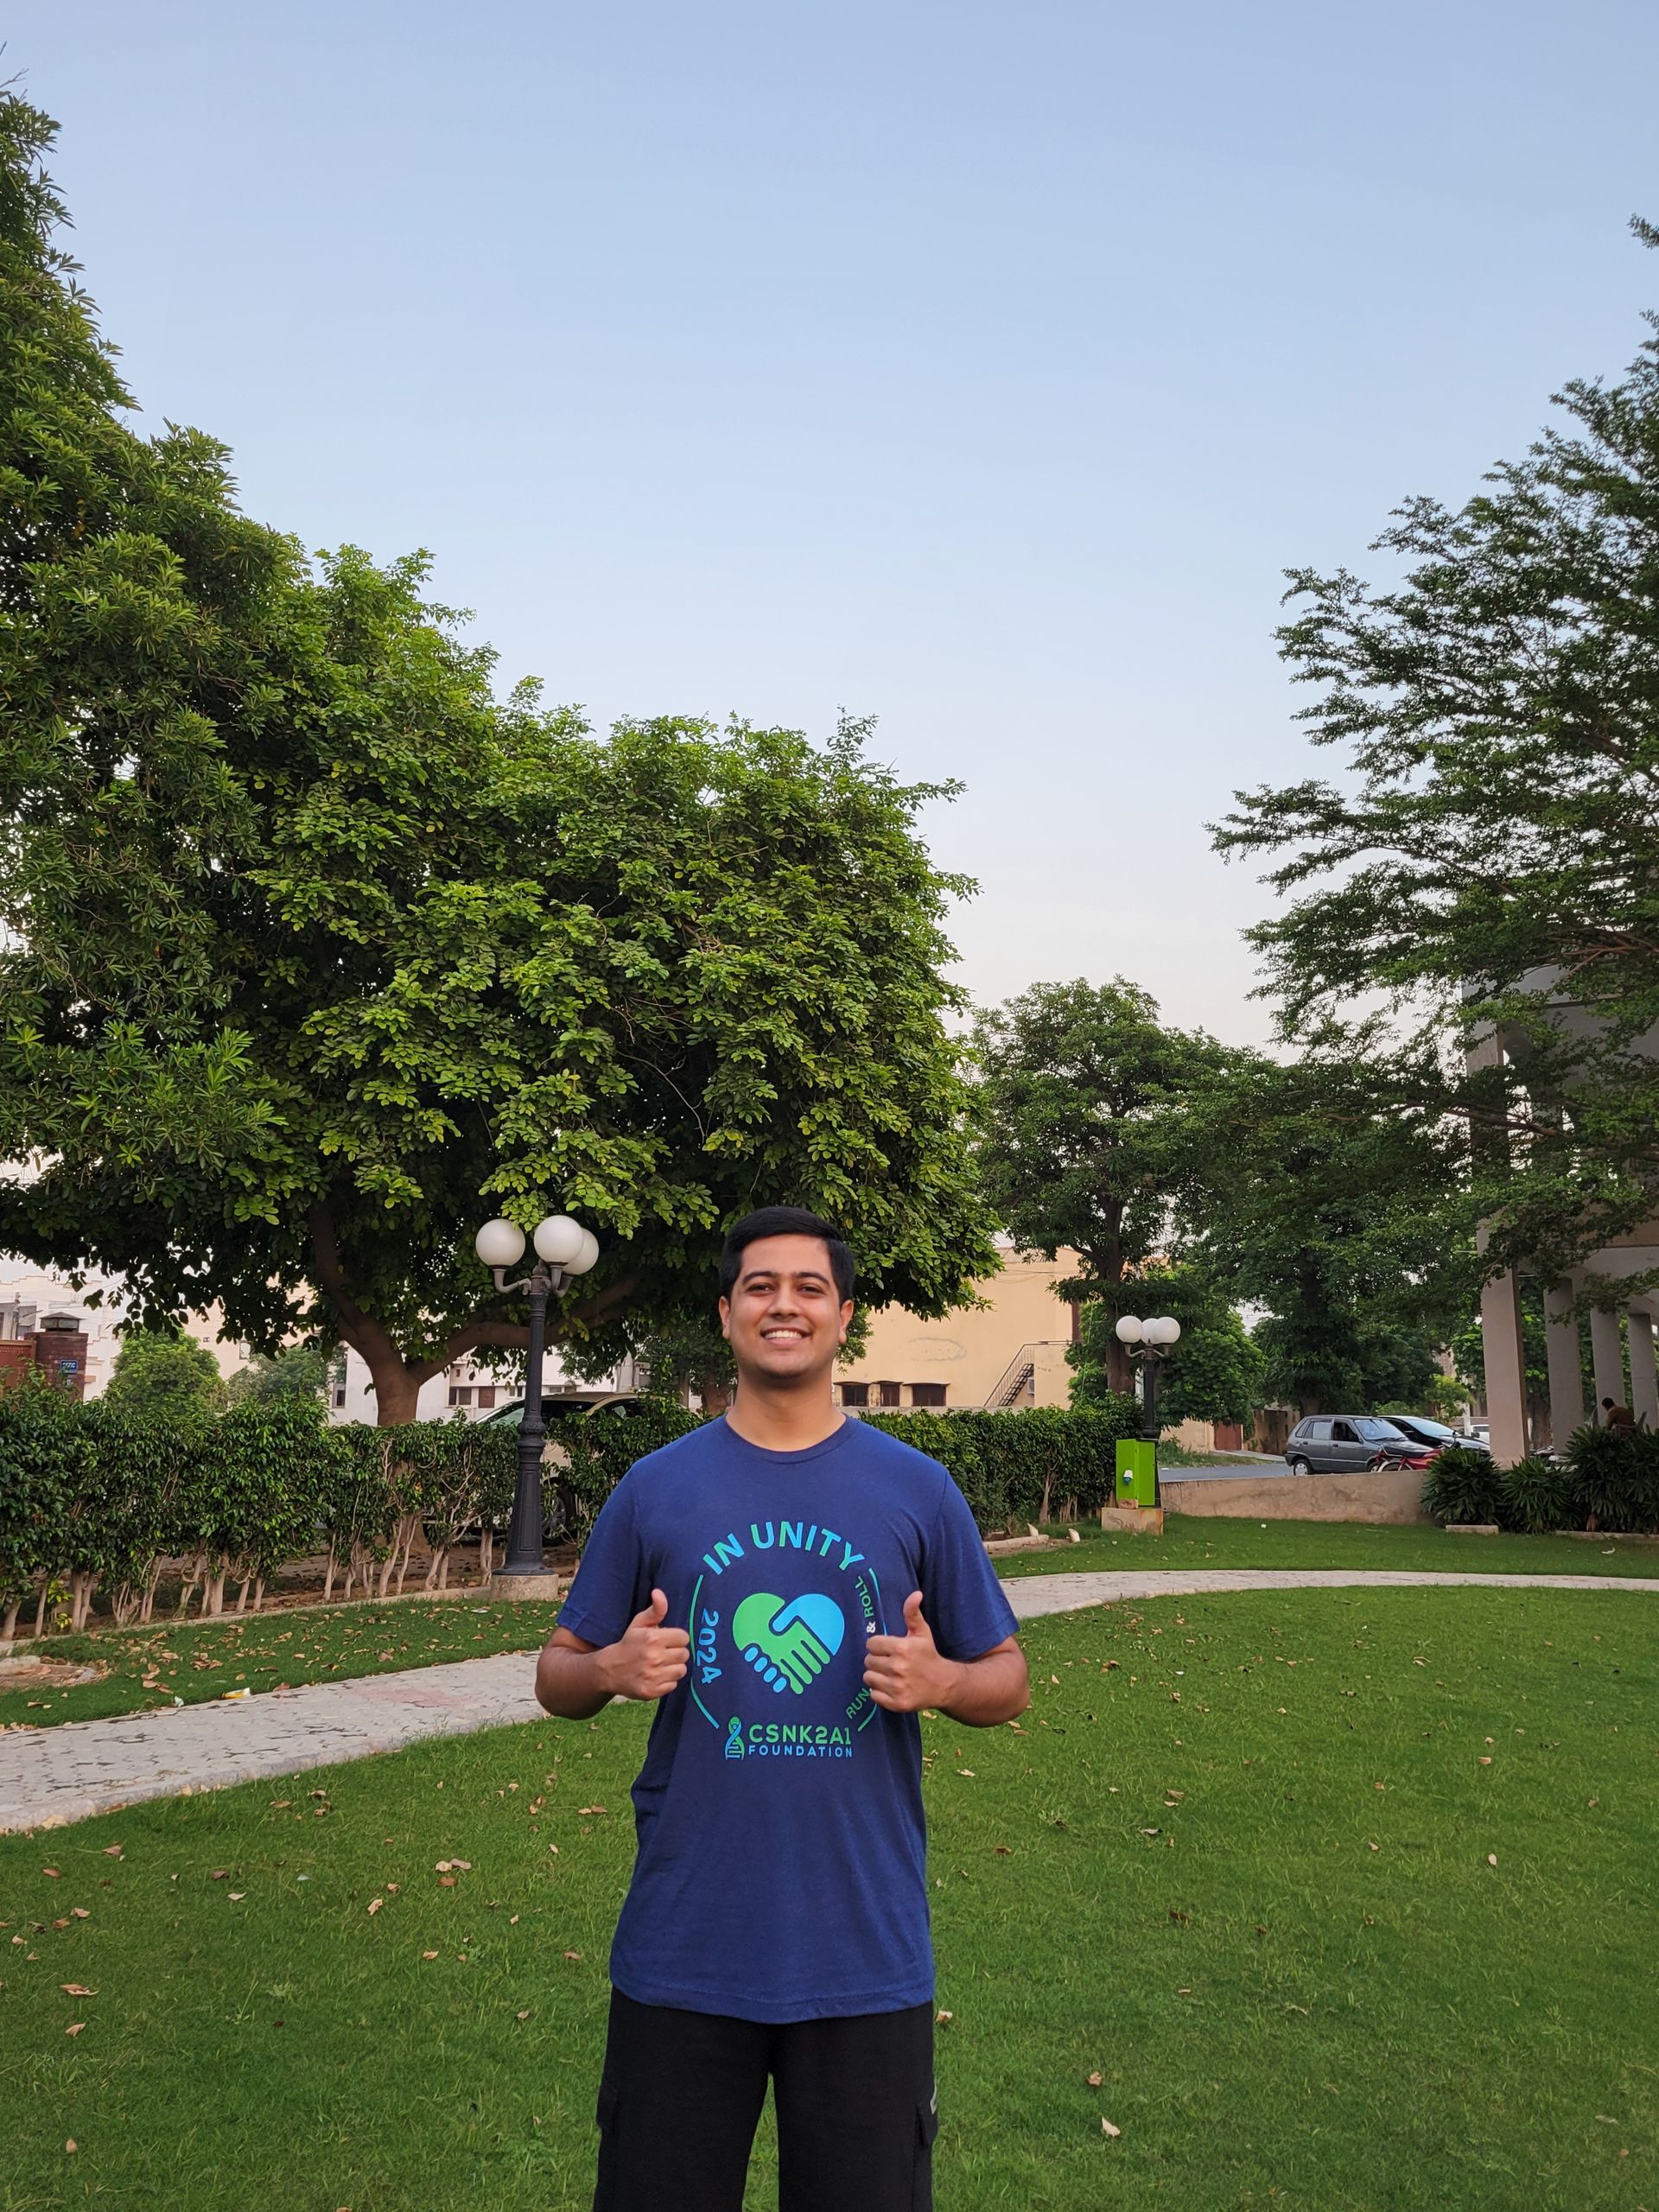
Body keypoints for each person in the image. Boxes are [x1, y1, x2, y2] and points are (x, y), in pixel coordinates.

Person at [535, 1205, 1030, 2212]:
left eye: (809, 1287)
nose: (784, 1305)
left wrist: (944, 1683)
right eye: (760, 1286)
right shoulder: (655, 1487)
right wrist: (609, 1667)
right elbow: (556, 1671)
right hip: (685, 1949)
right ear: (726, 1314)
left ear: (844, 1315)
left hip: (865, 1954)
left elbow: (1008, 1677)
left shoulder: (918, 1489)